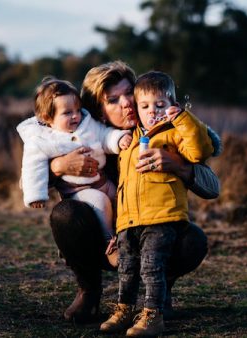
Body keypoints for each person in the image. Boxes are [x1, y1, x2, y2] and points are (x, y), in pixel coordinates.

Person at [48, 61, 222, 324]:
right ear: (100, 112)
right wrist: (57, 165)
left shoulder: (164, 131)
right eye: (113, 100)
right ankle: (89, 290)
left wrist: (178, 166)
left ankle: (160, 295)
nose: (127, 103)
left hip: (153, 233)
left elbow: (213, 186)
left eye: (129, 93)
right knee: (65, 213)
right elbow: (32, 177)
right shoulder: (85, 139)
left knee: (192, 239)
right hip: (105, 243)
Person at [99, 71, 214, 336]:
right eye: (145, 106)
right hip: (129, 221)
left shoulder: (174, 134)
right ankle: (124, 309)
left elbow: (200, 150)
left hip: (161, 217)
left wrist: (182, 118)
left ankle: (153, 314)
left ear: (172, 104)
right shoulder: (127, 140)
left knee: (152, 267)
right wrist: (117, 227)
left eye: (160, 105)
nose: (153, 112)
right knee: (127, 269)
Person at [16, 77, 132, 241]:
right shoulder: (43, 140)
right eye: (67, 112)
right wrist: (35, 194)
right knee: (100, 203)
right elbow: (32, 167)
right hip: (79, 191)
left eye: (77, 110)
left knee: (121, 200)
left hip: (104, 182)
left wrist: (118, 140)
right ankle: (108, 239)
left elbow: (104, 135)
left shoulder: (87, 125)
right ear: (47, 117)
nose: (76, 116)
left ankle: (125, 237)